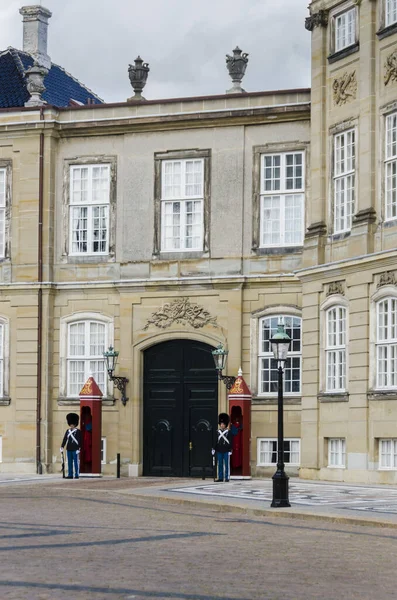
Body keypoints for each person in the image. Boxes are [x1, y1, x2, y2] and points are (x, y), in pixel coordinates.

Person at [60, 413, 82, 479]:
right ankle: (70, 474)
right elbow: (65, 439)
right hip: (69, 448)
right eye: (71, 424)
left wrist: (79, 448)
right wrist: (62, 446)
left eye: (73, 424)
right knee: (69, 462)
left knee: (76, 462)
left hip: (75, 448)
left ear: (75, 424)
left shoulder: (78, 431)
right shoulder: (68, 431)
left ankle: (77, 474)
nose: (71, 425)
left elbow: (80, 440)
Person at [212, 413, 232, 482]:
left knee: (226, 464)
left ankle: (227, 477)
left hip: (226, 450)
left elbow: (230, 441)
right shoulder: (217, 432)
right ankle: (220, 477)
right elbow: (215, 441)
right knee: (220, 464)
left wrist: (230, 450)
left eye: (223, 424)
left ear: (225, 424)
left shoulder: (228, 432)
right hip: (219, 450)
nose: (222, 425)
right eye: (221, 424)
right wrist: (213, 448)